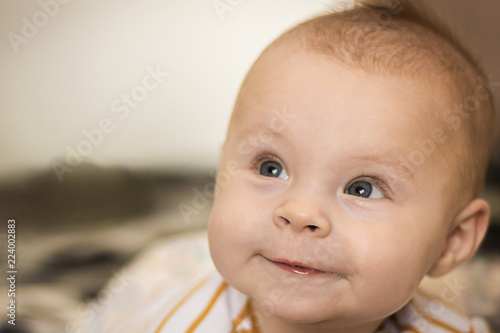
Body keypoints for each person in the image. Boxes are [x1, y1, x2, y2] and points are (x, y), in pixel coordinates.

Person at [79, 1, 496, 332]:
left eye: (362, 188)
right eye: (270, 168)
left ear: (452, 241)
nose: (299, 213)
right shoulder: (173, 322)